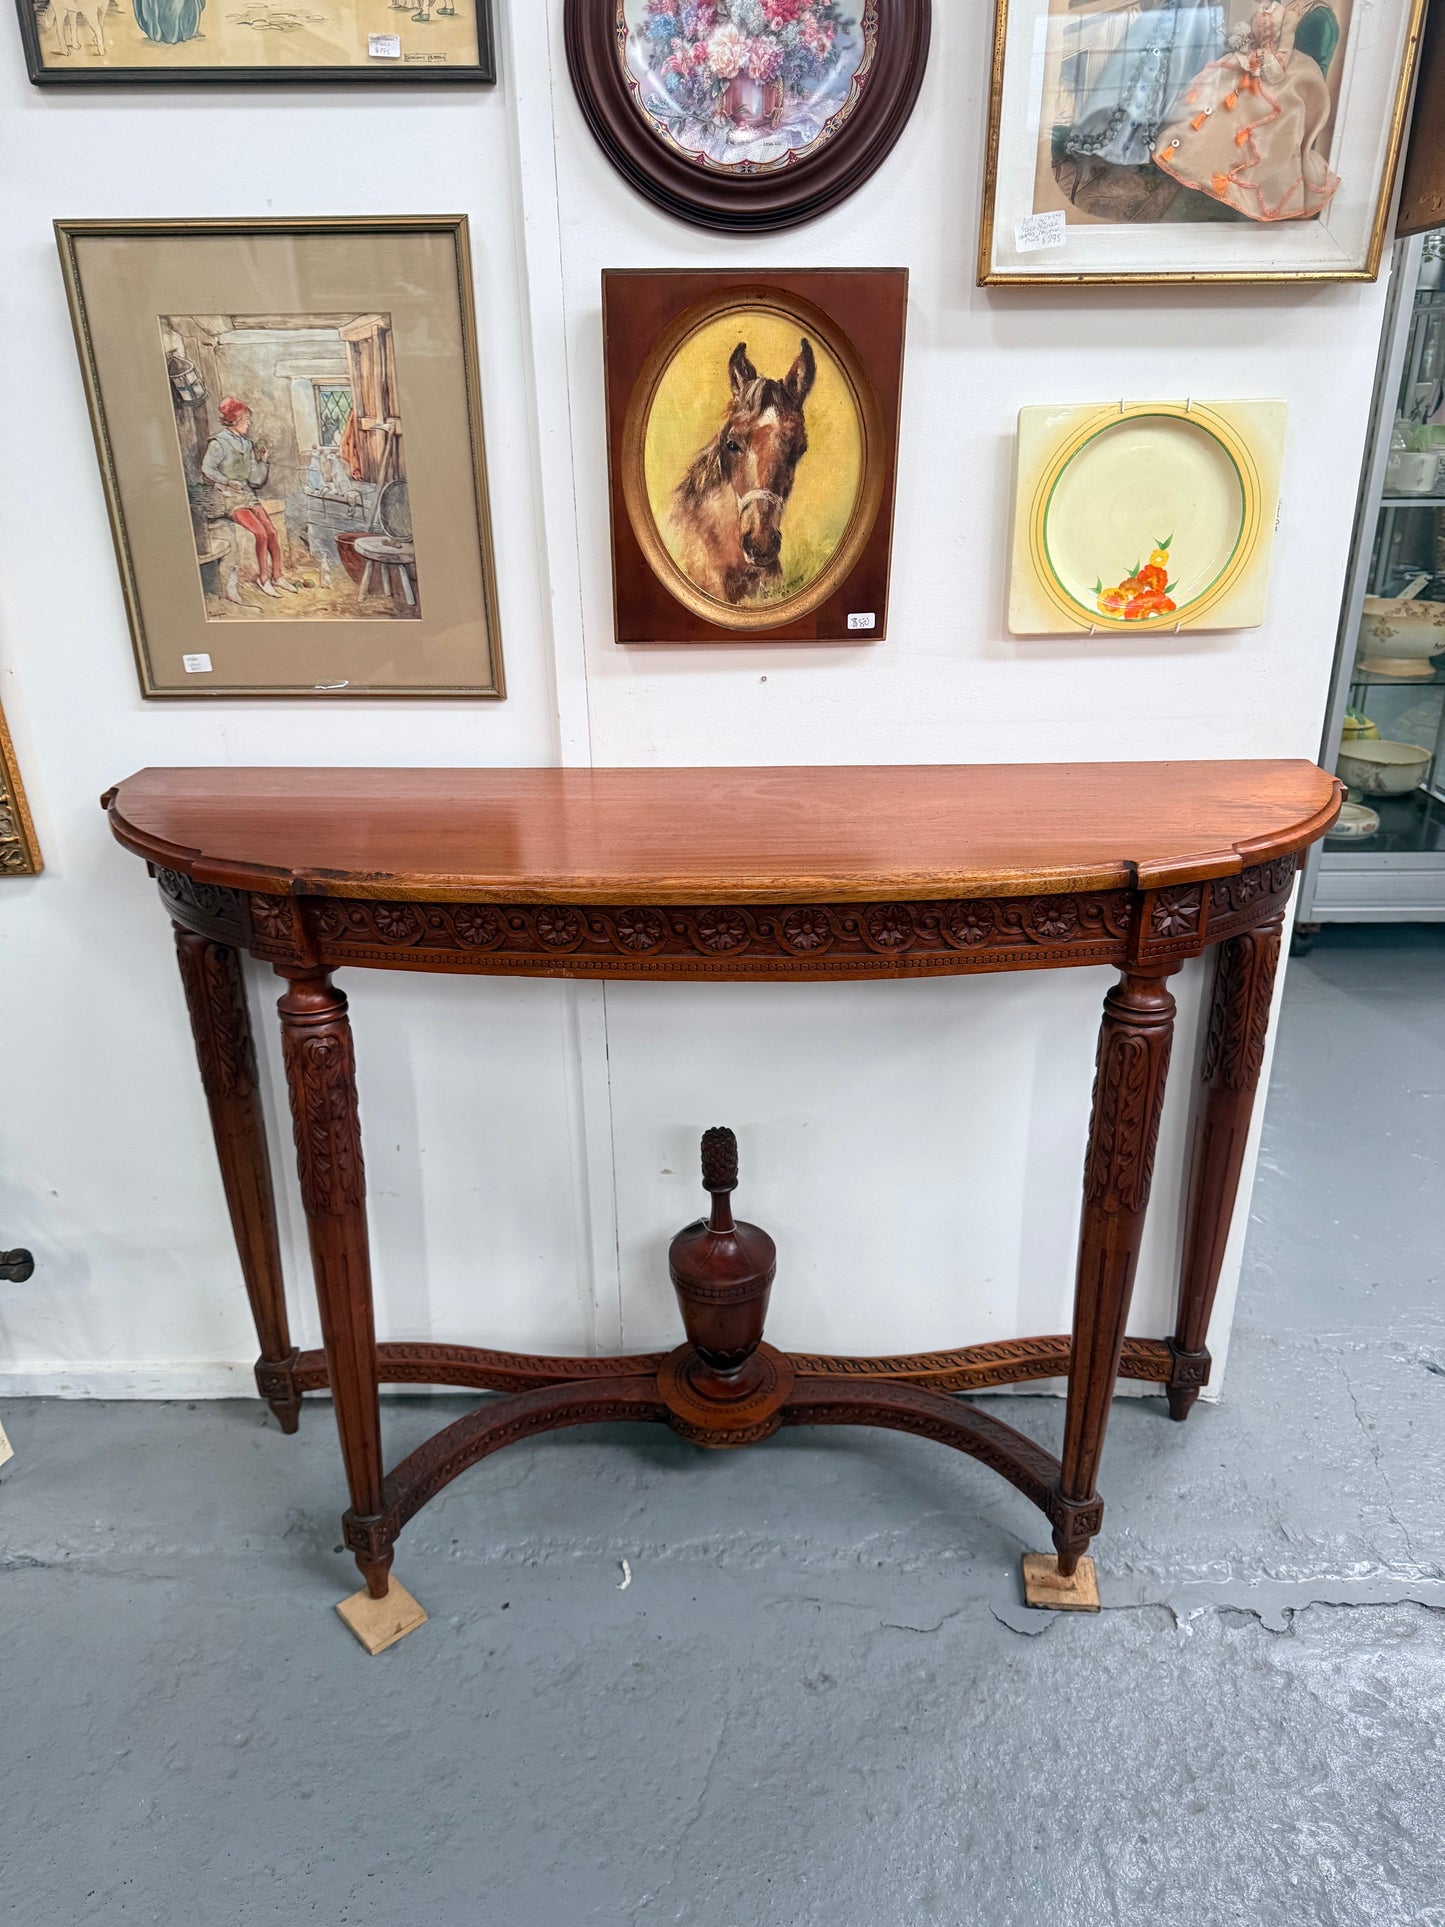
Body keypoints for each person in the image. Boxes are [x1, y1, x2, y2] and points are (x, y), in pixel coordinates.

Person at [200, 398, 297, 599]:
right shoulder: (219, 443)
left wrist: (263, 461)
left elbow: (255, 479)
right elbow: (207, 468)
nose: (249, 423)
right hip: (229, 497)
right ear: (235, 419)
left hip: (247, 494)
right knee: (260, 533)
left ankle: (278, 576)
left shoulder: (246, 444)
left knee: (271, 532)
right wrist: (227, 481)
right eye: (246, 419)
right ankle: (264, 579)